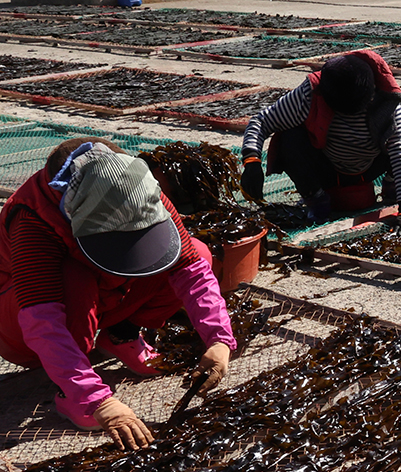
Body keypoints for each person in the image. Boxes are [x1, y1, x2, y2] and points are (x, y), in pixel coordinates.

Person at [0, 138, 237, 450]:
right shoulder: (33, 220)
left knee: (198, 253)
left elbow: (192, 269)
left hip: (100, 294)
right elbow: (42, 322)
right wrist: (97, 400)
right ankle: (69, 392)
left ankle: (121, 336)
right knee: (75, 277)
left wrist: (220, 339)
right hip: (18, 318)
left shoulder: (139, 189)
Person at [239, 50, 401, 230]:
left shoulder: (386, 100)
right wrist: (252, 161)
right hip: (327, 169)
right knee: (288, 136)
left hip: (370, 166)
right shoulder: (311, 93)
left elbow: (400, 154)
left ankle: (391, 187)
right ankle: (316, 199)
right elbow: (261, 122)